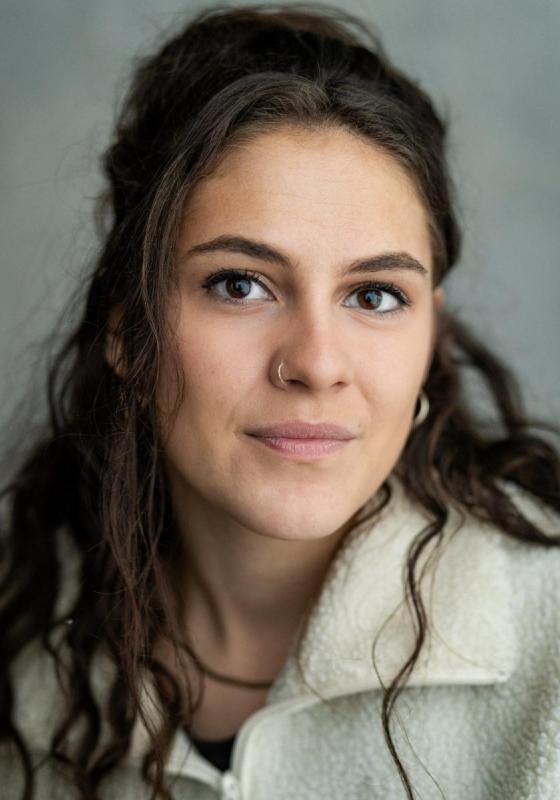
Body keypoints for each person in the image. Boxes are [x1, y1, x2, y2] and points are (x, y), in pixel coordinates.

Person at [1, 3, 559, 799]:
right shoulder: (23, 648)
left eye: (374, 295)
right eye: (241, 285)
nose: (317, 363)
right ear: (126, 330)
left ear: (429, 335)